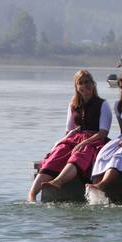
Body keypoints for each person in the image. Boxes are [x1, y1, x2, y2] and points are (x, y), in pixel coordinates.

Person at [28, 69, 112, 201]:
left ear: (93, 84)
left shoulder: (102, 104)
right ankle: (32, 194)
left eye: (88, 82)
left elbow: (103, 132)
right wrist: (62, 143)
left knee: (81, 152)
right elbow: (69, 131)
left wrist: (84, 142)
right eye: (81, 83)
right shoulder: (73, 105)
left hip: (95, 140)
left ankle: (58, 181)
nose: (85, 85)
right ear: (77, 87)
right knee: (59, 152)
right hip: (74, 137)